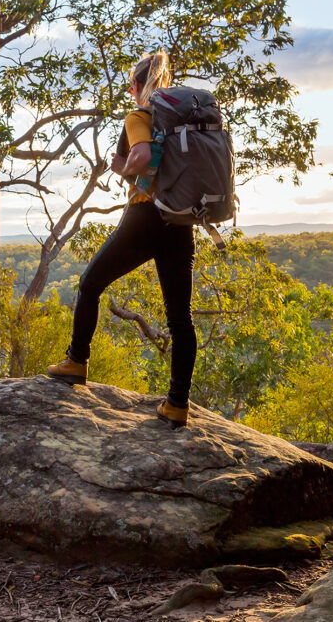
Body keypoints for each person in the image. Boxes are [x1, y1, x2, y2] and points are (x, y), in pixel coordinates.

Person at [46, 50, 198, 429]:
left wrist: (122, 168)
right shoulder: (180, 123)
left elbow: (143, 157)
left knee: (89, 284)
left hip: (145, 217)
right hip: (180, 222)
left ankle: (76, 362)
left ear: (135, 86)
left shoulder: (139, 116)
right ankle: (178, 404)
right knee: (181, 319)